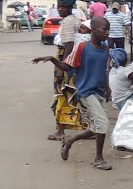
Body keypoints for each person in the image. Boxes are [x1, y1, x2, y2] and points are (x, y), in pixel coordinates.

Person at [33, 16, 113, 170]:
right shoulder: (82, 47)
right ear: (94, 30)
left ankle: (70, 140)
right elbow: (68, 66)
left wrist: (108, 89)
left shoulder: (105, 50)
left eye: (108, 29)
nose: (107, 32)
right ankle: (98, 159)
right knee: (103, 123)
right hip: (86, 92)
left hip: (100, 91)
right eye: (105, 29)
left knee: (97, 127)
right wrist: (52, 59)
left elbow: (105, 71)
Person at [45, 0, 85, 141]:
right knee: (73, 93)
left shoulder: (68, 21)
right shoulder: (74, 19)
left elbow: (68, 45)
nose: (60, 9)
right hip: (70, 59)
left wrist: (63, 68)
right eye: (59, 6)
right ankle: (84, 127)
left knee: (62, 92)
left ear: (70, 7)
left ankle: (60, 130)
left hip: (65, 58)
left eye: (64, 6)